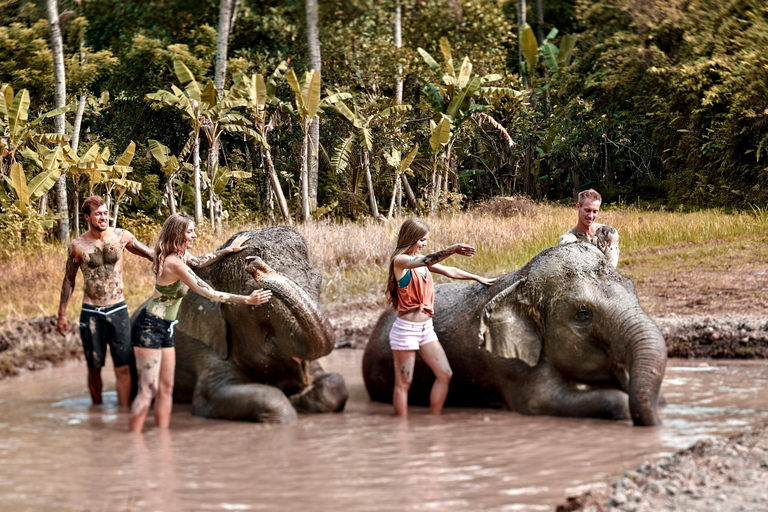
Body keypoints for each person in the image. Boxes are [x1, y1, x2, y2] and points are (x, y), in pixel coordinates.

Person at [129, 212, 271, 432]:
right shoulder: (173, 263)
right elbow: (209, 292)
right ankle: (132, 443)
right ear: (177, 234)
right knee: (148, 390)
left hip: (166, 328)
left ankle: (163, 441)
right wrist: (247, 299)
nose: (194, 235)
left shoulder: (182, 256)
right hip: (149, 327)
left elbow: (199, 261)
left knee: (166, 388)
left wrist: (228, 250)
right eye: (189, 231)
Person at [386, 217, 496, 416]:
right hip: (406, 331)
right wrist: (451, 249)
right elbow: (428, 259)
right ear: (410, 238)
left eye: (426, 240)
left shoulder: (420, 263)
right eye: (421, 240)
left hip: (426, 329)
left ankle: (434, 424)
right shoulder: (401, 261)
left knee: (445, 374)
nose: (424, 244)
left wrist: (476, 277)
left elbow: (449, 271)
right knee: (404, 382)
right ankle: (400, 433)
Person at [57, 195, 154, 406]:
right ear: (87, 217)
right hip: (91, 313)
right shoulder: (78, 245)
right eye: (98, 214)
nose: (103, 217)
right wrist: (62, 314)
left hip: (118, 309)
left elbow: (151, 254)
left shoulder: (122, 237)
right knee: (94, 367)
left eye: (105, 213)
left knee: (123, 366)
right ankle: (97, 413)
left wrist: (178, 258)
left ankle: (123, 413)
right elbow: (69, 280)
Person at [558, 189, 620, 267]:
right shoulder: (567, 239)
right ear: (578, 207)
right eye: (587, 210)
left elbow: (611, 268)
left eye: (595, 212)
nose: (590, 216)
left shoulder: (609, 234)